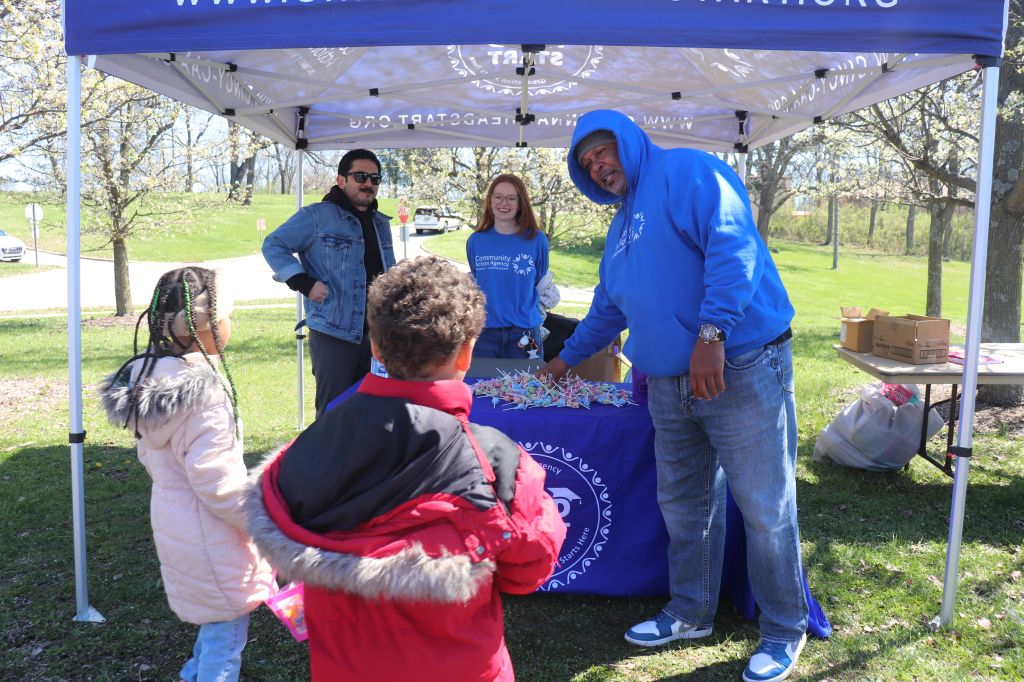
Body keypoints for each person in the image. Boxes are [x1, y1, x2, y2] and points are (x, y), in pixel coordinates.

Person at [539, 110, 809, 682]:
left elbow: (733, 247)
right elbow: (608, 309)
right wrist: (561, 361)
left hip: (737, 363)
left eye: (603, 151)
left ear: (628, 141)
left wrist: (712, 335)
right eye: (587, 163)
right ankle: (691, 610)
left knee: (765, 506)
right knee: (684, 505)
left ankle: (786, 628)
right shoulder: (618, 229)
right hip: (666, 382)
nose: (599, 166)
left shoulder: (688, 171)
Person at [245, 255, 567, 682]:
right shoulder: (495, 463)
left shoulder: (306, 449)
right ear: (468, 353)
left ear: (375, 348)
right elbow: (531, 566)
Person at [98, 267, 274, 682]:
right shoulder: (205, 393)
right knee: (226, 637)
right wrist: (265, 524)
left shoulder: (149, 378)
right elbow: (218, 484)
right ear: (206, 326)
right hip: (212, 535)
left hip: (175, 520)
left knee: (215, 625)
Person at [262, 148, 396, 417]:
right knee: (333, 415)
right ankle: (328, 460)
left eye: (374, 178)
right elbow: (273, 244)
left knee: (374, 412)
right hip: (335, 334)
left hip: (377, 335)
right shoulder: (317, 216)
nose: (368, 183)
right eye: (360, 176)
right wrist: (302, 282)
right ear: (341, 180)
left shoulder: (380, 223)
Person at [467, 174, 552, 360]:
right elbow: (477, 281)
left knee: (529, 388)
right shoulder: (476, 241)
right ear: (490, 201)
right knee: (481, 388)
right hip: (484, 334)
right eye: (497, 197)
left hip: (525, 333)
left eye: (511, 198)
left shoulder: (537, 240)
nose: (503, 203)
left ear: (520, 203)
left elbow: (540, 281)